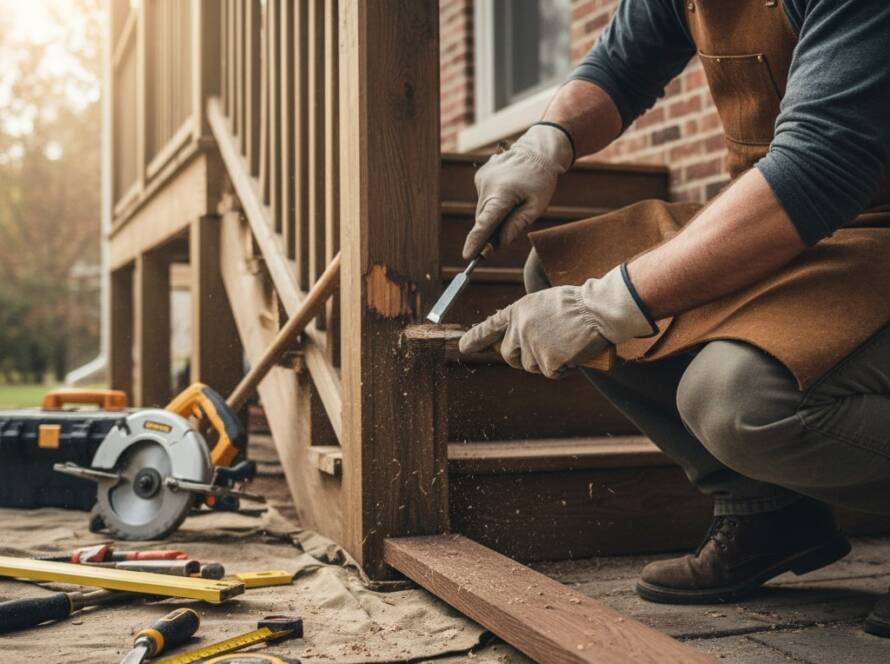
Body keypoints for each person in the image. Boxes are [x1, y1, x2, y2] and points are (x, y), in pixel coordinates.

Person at [458, 0, 890, 637]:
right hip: (803, 229)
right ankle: (766, 512)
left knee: (739, 399)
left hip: (845, 218)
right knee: (561, 268)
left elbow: (817, 170)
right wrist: (543, 144)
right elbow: (618, 67)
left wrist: (608, 306)